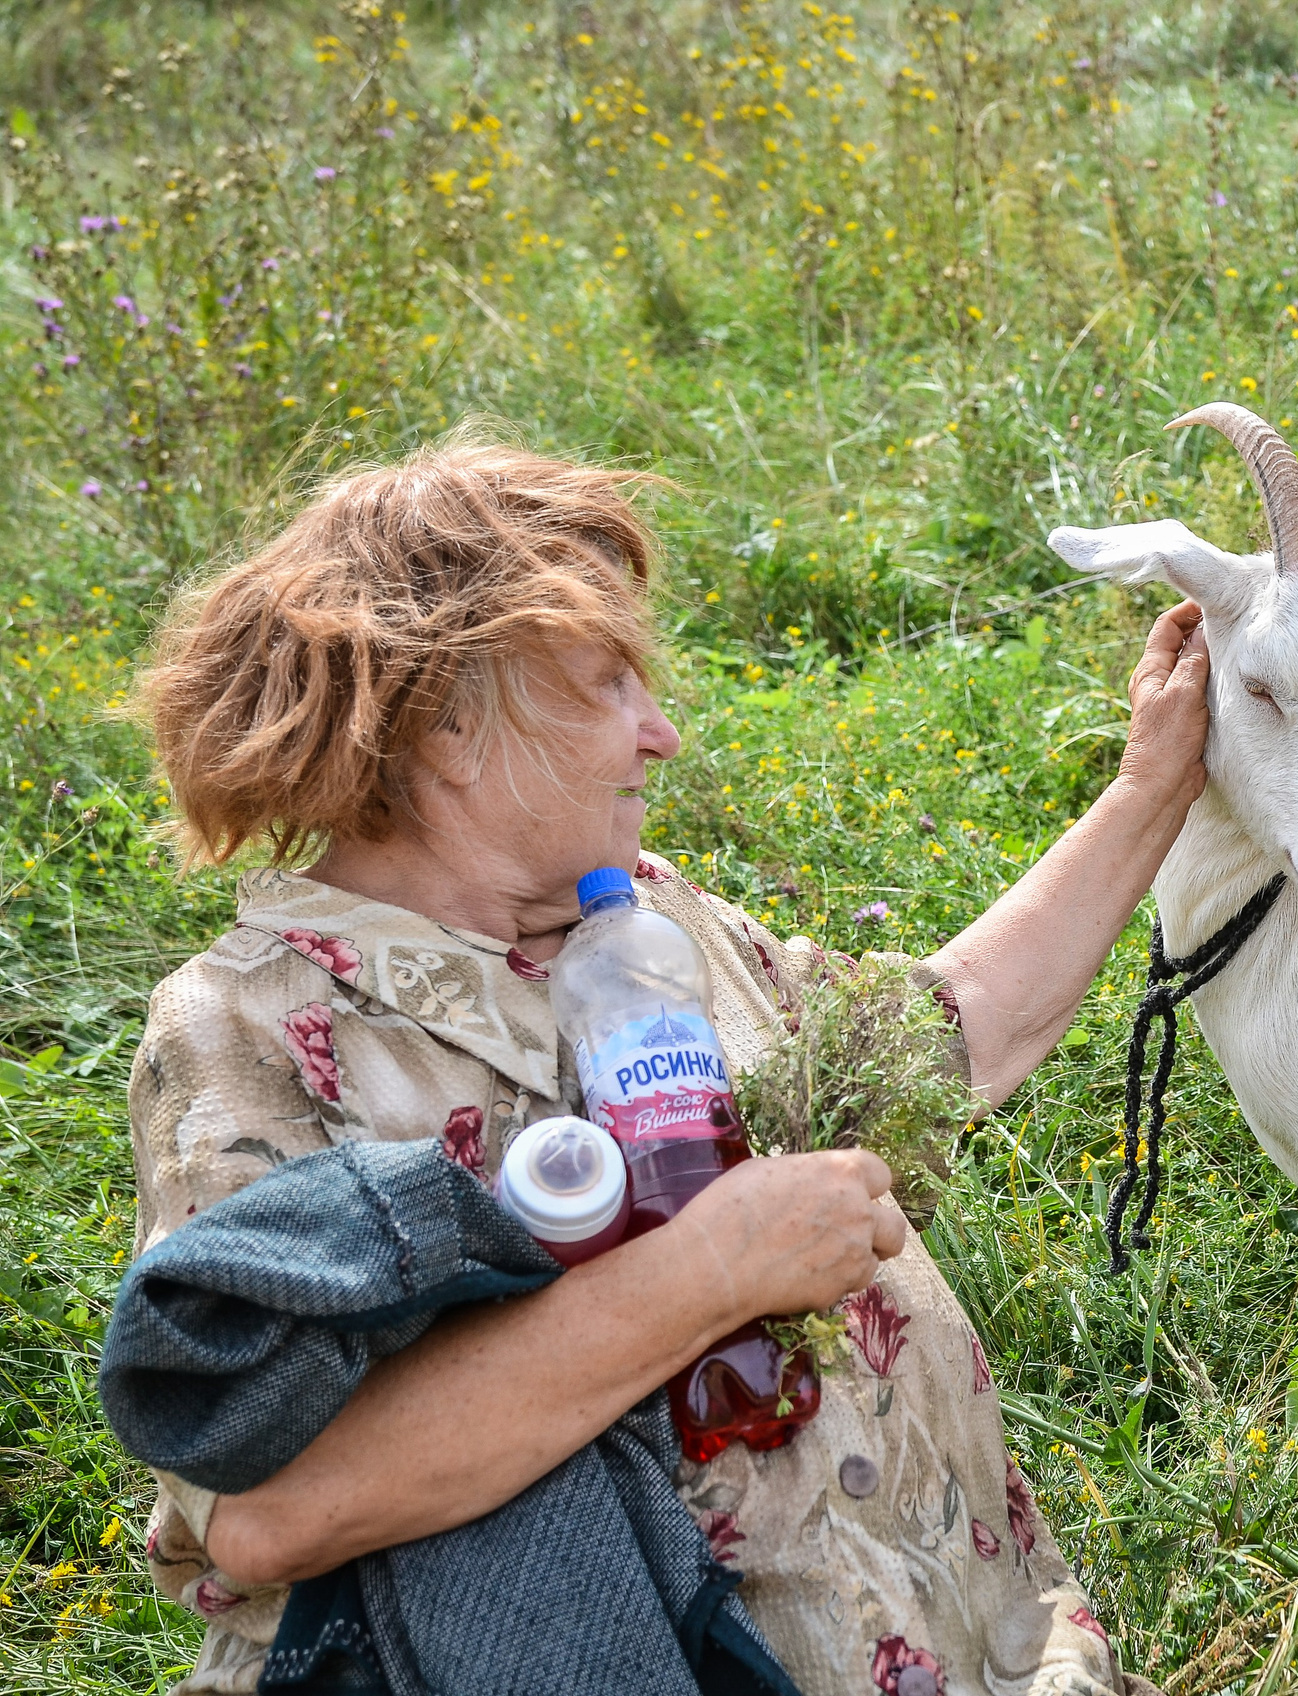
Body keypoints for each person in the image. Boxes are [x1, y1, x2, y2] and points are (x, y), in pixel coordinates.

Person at [121, 441, 1209, 1695]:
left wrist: (1151, 787)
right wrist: (706, 1270)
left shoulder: (650, 921)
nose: (664, 734)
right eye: (609, 684)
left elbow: (937, 1041)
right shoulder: (248, 1025)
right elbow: (267, 1509)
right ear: (452, 721)